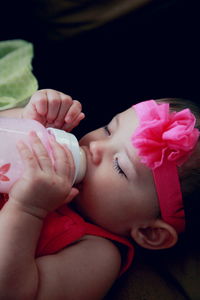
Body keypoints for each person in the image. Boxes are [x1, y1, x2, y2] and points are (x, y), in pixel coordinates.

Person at [0, 89, 199, 299]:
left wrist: (28, 209)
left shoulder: (98, 254)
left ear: (150, 232)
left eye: (120, 166)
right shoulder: (48, 158)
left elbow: (12, 293)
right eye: (108, 130)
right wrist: (28, 122)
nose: (95, 146)